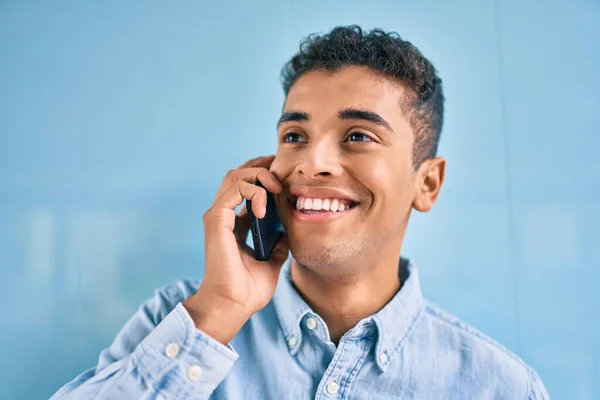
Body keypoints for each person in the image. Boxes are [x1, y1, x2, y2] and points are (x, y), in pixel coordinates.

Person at [51, 25, 549, 399]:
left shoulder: (499, 387)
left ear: (428, 183)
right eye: (295, 136)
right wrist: (219, 310)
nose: (312, 162)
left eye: (358, 136)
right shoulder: (181, 322)